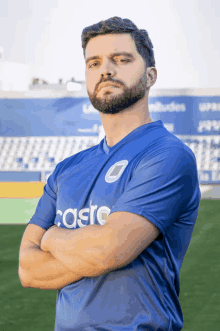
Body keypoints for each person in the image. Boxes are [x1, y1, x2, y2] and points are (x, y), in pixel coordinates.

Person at [19, 16, 201, 331]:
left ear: (150, 75)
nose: (106, 69)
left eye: (121, 59)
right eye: (94, 63)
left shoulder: (168, 155)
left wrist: (50, 237)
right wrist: (93, 248)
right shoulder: (67, 169)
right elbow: (28, 270)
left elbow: (108, 251)